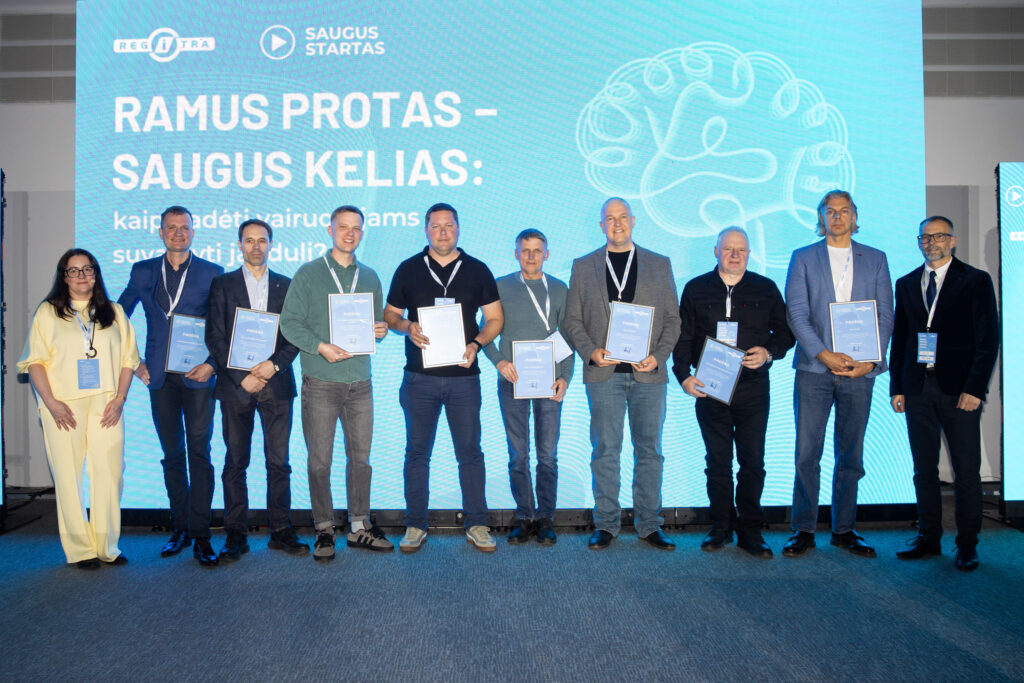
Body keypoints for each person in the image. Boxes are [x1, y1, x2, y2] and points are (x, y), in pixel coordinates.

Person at [561, 197, 681, 551]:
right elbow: (572, 320)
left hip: (648, 374)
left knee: (650, 451)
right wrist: (590, 351)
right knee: (605, 450)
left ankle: (650, 524)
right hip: (605, 374)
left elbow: (673, 320)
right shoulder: (584, 266)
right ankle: (606, 524)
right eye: (610, 219)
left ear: (633, 221)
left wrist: (658, 357)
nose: (617, 224)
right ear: (601, 225)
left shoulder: (660, 264)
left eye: (622, 217)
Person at [384, 202, 504, 553]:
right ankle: (415, 525)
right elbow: (390, 315)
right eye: (435, 226)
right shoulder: (408, 269)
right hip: (419, 379)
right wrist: (407, 326)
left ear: (458, 228)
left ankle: (477, 524)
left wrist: (477, 343)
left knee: (470, 452)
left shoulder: (478, 270)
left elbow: (495, 319)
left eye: (448, 225)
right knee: (417, 453)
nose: (442, 232)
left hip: (463, 378)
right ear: (426, 230)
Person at [783, 190, 893, 558]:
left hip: (859, 372)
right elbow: (796, 314)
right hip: (814, 369)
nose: (838, 217)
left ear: (854, 216)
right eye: (830, 211)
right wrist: (823, 354)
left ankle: (844, 529)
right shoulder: (803, 257)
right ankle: (803, 529)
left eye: (844, 211)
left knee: (851, 455)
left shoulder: (876, 259)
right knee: (806, 454)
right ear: (821, 217)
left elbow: (885, 316)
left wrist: (871, 363)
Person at [673, 227, 795, 558]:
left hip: (753, 388)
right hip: (710, 387)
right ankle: (721, 526)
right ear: (716, 251)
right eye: (728, 248)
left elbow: (786, 334)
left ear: (749, 254)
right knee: (717, 461)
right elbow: (683, 337)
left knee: (752, 461)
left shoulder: (765, 288)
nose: (735, 254)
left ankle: (751, 530)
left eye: (741, 249)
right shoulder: (696, 288)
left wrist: (768, 352)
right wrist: (683, 376)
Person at [280, 206, 393, 560]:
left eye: (356, 228)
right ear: (330, 230)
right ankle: (324, 529)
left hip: (361, 382)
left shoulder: (370, 276)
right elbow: (289, 323)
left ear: (362, 233)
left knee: (361, 460)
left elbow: (375, 324)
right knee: (320, 462)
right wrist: (320, 346)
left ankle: (359, 526)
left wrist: (380, 330)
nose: (349, 233)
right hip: (321, 381)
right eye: (343, 227)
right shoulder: (309, 273)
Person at [889, 216, 999, 571]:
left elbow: (988, 340)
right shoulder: (907, 283)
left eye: (939, 236)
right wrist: (897, 386)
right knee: (924, 470)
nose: (931, 242)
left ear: (952, 241)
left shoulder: (976, 280)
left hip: (959, 392)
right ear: (919, 242)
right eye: (925, 237)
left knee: (966, 472)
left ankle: (967, 545)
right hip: (917, 389)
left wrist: (974, 389)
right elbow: (901, 339)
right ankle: (929, 538)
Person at [118, 205, 225, 566]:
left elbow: (222, 326)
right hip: (159, 378)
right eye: (171, 227)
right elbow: (117, 317)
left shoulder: (212, 272)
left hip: (198, 376)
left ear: (193, 232)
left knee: (200, 454)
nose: (178, 233)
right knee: (172, 455)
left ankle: (201, 534)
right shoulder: (143, 270)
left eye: (185, 228)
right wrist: (134, 362)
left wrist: (212, 365)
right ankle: (180, 527)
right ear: (160, 232)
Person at [19, 249, 139, 569]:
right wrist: (51, 403)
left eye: (87, 269)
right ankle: (80, 549)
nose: (81, 275)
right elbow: (35, 362)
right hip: (63, 406)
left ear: (96, 274)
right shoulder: (48, 312)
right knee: (68, 478)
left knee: (109, 474)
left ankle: (106, 546)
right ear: (64, 277)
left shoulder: (114, 312)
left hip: (107, 405)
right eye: (73, 270)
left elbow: (128, 360)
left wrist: (120, 399)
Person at [205, 219, 308, 561]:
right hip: (237, 387)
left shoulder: (287, 285)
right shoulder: (222, 284)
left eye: (261, 240)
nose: (255, 246)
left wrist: (273, 366)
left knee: (279, 463)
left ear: (271, 244)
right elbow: (214, 337)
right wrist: (241, 376)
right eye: (249, 240)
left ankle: (280, 530)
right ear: (239, 245)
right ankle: (236, 533)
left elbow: (296, 334)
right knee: (236, 463)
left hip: (276, 385)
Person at [482, 229, 573, 546]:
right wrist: (498, 362)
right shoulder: (500, 287)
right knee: (518, 455)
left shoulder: (559, 289)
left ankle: (546, 518)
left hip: (550, 382)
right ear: (516, 253)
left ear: (546, 254)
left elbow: (567, 337)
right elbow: (484, 332)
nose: (531, 256)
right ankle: (524, 517)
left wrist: (565, 377)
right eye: (525, 250)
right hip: (513, 381)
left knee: (547, 456)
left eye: (537, 250)